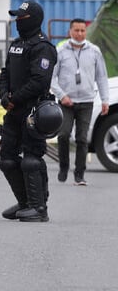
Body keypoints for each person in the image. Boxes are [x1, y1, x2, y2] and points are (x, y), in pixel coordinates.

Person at [0, 0, 57, 222]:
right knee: (7, 159)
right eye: (16, 18)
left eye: (21, 18)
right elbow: (5, 73)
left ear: (33, 19)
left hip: (33, 111)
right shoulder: (16, 44)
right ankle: (24, 203)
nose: (17, 21)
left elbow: (40, 82)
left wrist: (15, 98)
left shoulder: (43, 47)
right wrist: (5, 97)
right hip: (13, 110)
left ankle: (39, 207)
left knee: (31, 159)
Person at [50, 18, 110, 185]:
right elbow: (51, 78)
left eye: (83, 30)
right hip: (66, 102)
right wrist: (62, 95)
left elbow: (102, 77)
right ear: (70, 31)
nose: (80, 33)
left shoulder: (94, 51)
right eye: (76, 30)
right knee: (63, 135)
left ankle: (79, 174)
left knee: (82, 138)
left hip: (86, 101)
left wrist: (105, 99)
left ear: (86, 31)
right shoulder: (61, 51)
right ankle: (64, 166)